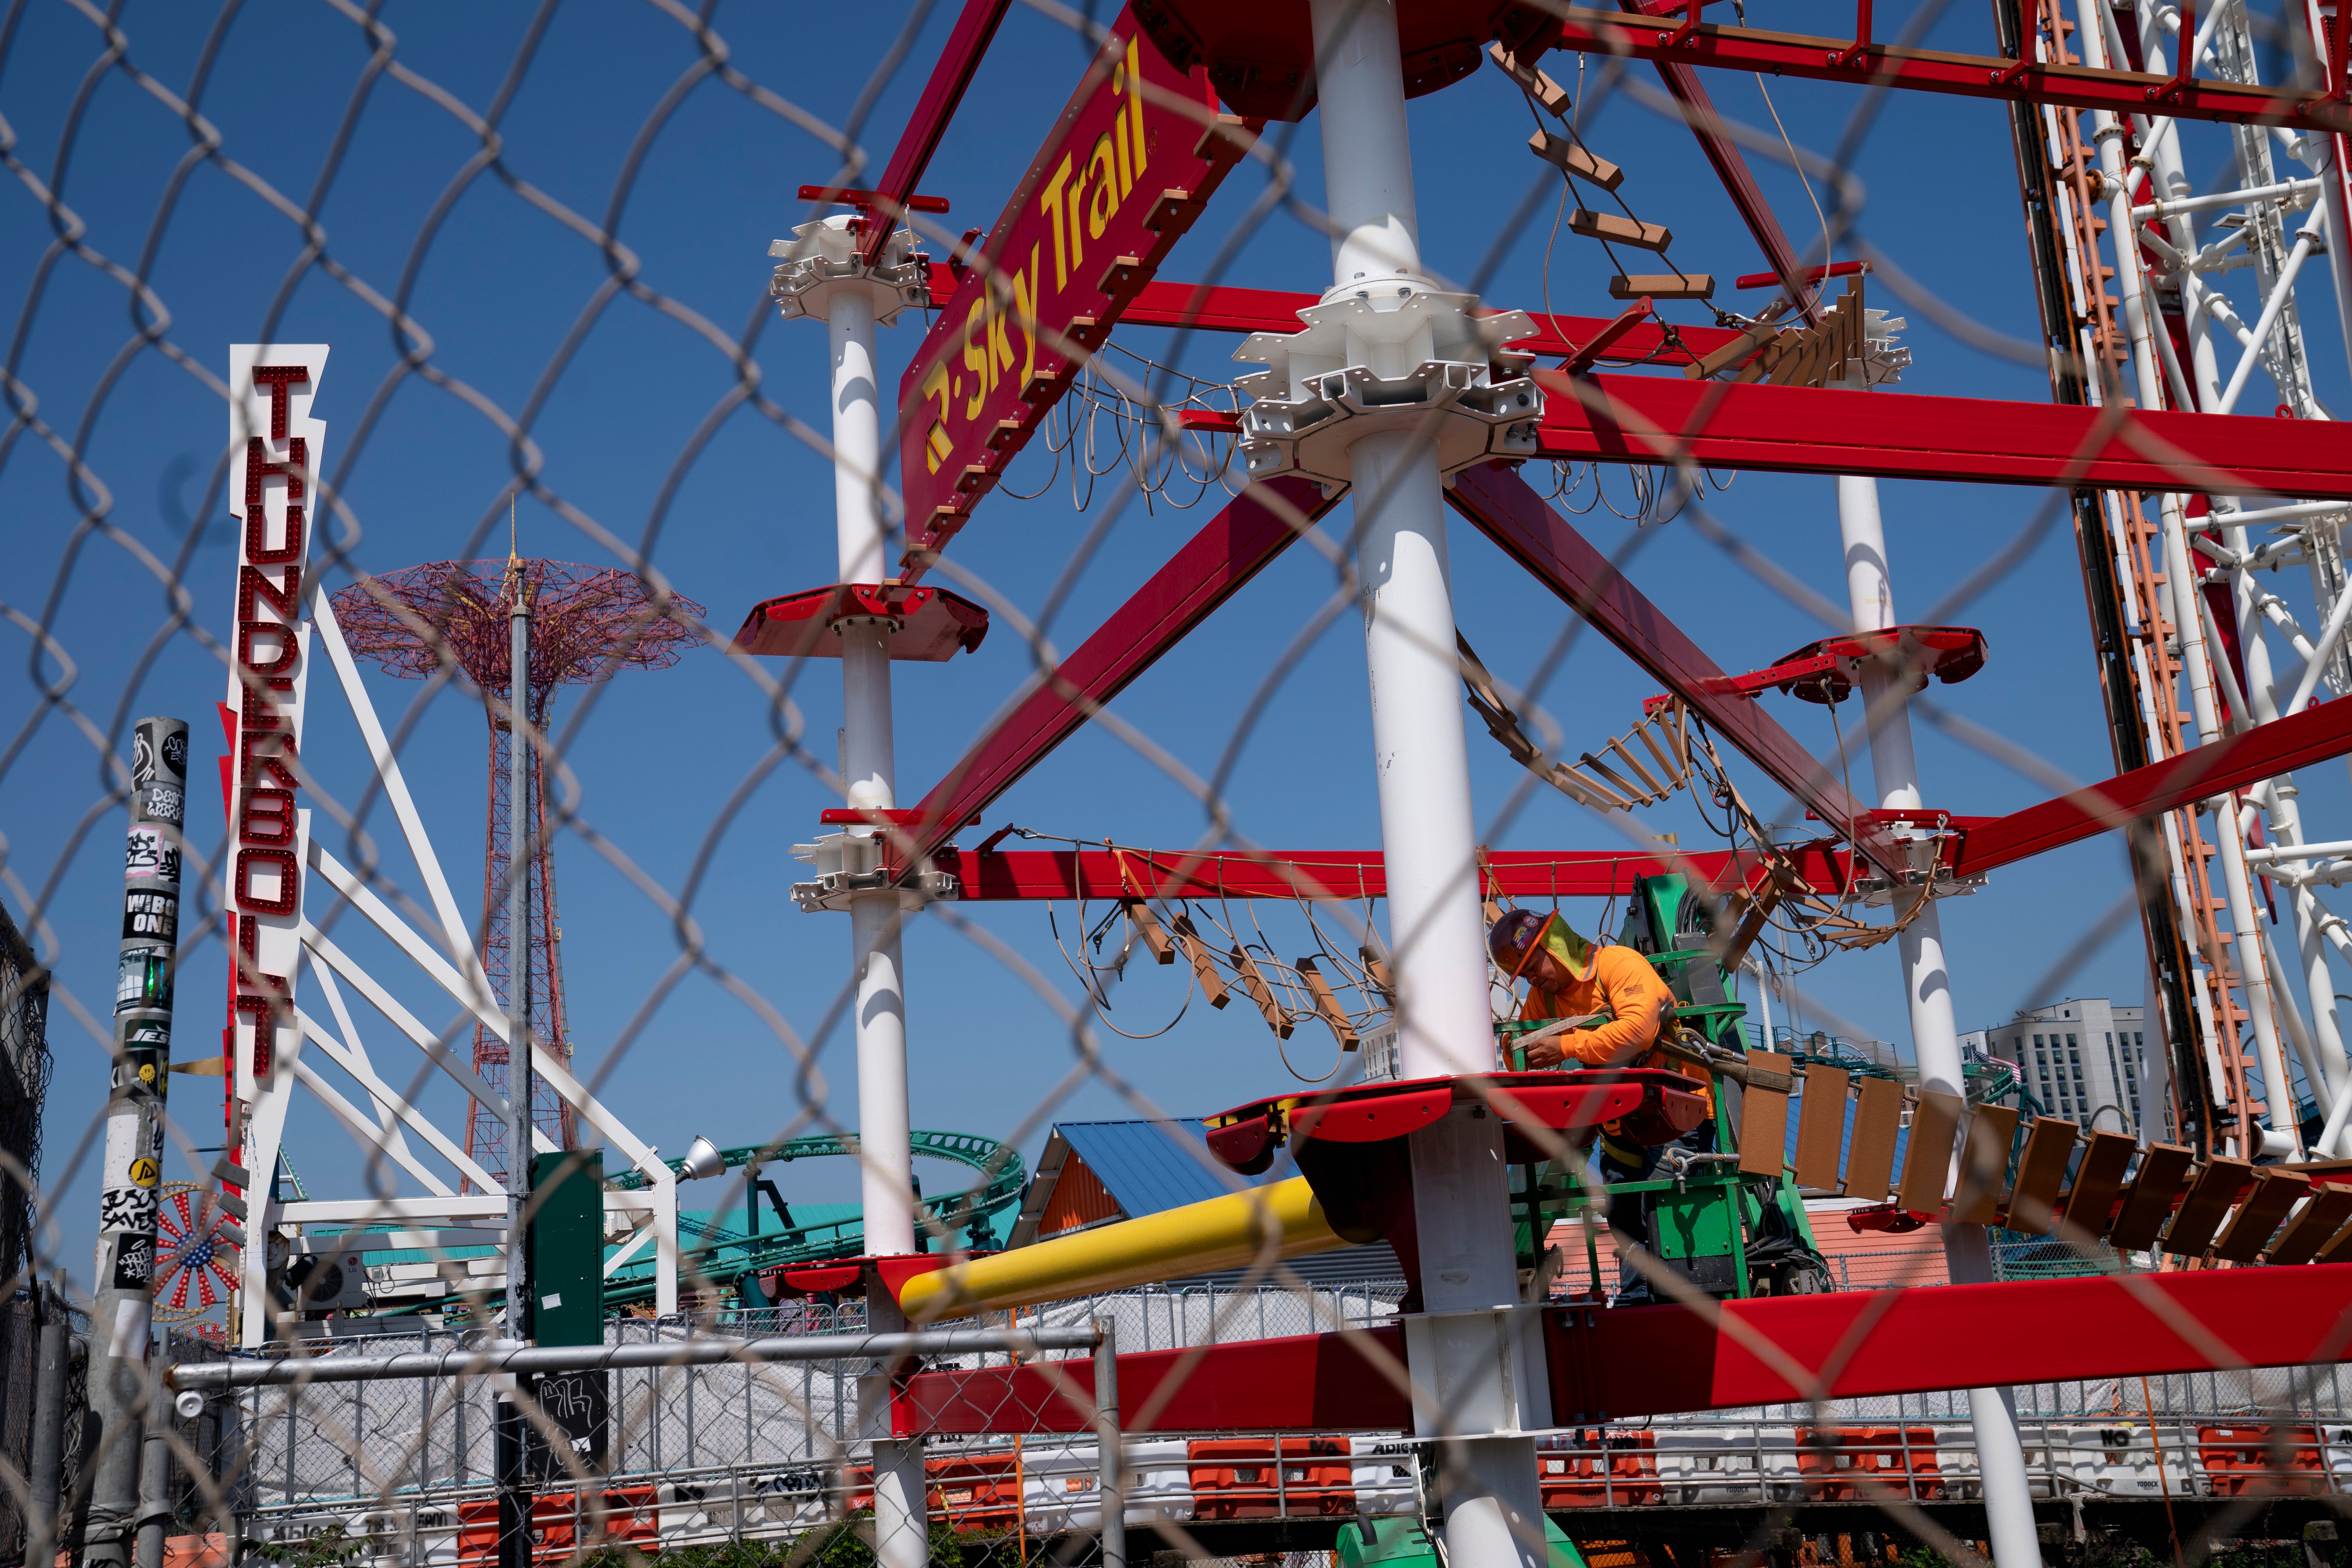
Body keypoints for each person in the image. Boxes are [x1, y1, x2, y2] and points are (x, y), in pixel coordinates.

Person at [1488, 907, 1716, 1304]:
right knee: (1623, 1212)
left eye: (1533, 965)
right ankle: (1636, 1298)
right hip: (1622, 1120)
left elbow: (1638, 1030)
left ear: (1554, 945)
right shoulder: (1545, 999)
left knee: (1660, 1205)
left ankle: (1678, 1299)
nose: (1532, 978)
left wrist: (1565, 1045)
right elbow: (1517, 1051)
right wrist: (1523, 1050)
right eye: (1523, 975)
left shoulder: (1619, 964)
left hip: (1677, 1110)